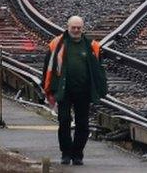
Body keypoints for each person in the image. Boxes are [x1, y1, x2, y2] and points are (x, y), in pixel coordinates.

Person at [42, 16, 108, 165]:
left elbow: (99, 70)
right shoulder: (57, 44)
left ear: (82, 28)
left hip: (83, 92)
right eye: (74, 27)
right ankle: (66, 153)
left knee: (83, 124)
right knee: (64, 121)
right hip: (63, 90)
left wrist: (100, 89)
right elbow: (47, 67)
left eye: (79, 27)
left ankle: (77, 154)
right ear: (68, 27)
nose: (76, 30)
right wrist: (47, 87)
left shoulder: (91, 46)